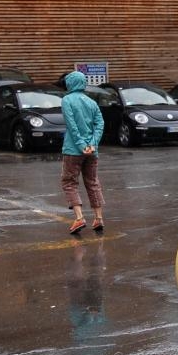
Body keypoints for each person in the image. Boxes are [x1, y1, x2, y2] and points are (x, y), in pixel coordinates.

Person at [61, 71, 106, 235]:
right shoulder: (91, 102)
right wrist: (92, 144)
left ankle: (79, 218)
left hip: (73, 150)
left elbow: (71, 125)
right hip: (92, 151)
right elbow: (100, 123)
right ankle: (98, 218)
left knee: (69, 182)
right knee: (92, 182)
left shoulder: (67, 100)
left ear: (70, 84)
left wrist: (81, 145)